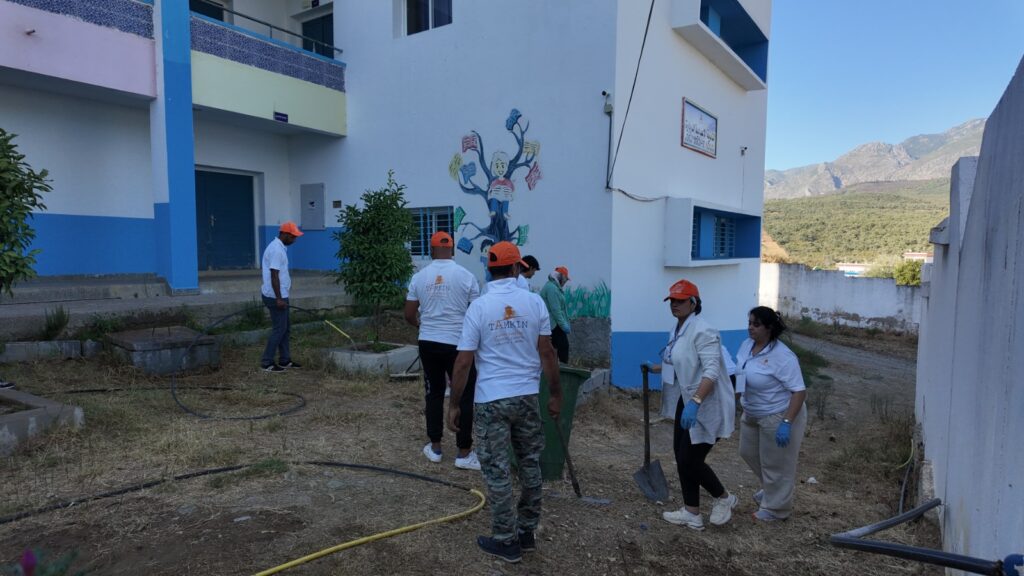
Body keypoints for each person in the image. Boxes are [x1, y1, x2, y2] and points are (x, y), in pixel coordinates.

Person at [448, 241, 562, 564]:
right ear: (515, 268)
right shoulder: (535, 303)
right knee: (529, 464)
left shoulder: (479, 307)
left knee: (497, 471)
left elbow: (463, 362)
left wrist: (454, 404)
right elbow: (547, 352)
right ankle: (526, 532)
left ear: (489, 269)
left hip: (491, 401)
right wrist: (556, 393)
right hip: (526, 398)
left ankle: (505, 539)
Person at [651, 279, 736, 530]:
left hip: (707, 403)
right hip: (687, 398)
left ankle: (724, 498)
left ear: (693, 303)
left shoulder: (704, 331)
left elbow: (711, 371)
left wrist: (696, 402)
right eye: (672, 301)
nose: (674, 305)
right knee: (681, 455)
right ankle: (692, 512)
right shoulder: (678, 329)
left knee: (691, 459)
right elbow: (680, 361)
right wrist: (654, 368)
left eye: (680, 301)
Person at [404, 231, 482, 470]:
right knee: (464, 394)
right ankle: (464, 452)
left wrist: (422, 325)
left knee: (434, 392)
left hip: (428, 341)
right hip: (458, 343)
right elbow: (475, 313)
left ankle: (435, 447)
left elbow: (409, 313)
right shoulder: (467, 276)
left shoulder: (419, 277)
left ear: (431, 250)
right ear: (453, 249)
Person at [736, 306, 807, 522]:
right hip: (752, 411)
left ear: (769, 328)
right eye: (749, 323)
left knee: (775, 464)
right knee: (747, 452)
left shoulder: (782, 356)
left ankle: (776, 509)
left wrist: (786, 422)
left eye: (756, 324)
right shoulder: (746, 345)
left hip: (777, 413)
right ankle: (772, 489)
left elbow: (799, 391)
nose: (750, 328)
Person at [260, 221, 303, 372]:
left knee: (285, 328)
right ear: (284, 234)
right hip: (275, 297)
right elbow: (274, 275)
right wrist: (278, 298)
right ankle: (267, 362)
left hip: (281, 295)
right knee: (279, 329)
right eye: (293, 237)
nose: (294, 240)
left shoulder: (279, 247)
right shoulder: (276, 250)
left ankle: (285, 360)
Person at [540, 266, 571, 363]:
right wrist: (563, 325)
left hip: (554, 323)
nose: (565, 282)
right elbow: (555, 310)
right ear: (560, 277)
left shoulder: (554, 287)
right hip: (553, 324)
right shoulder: (552, 288)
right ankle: (562, 369)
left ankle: (557, 367)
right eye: (565, 279)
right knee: (563, 347)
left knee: (555, 349)